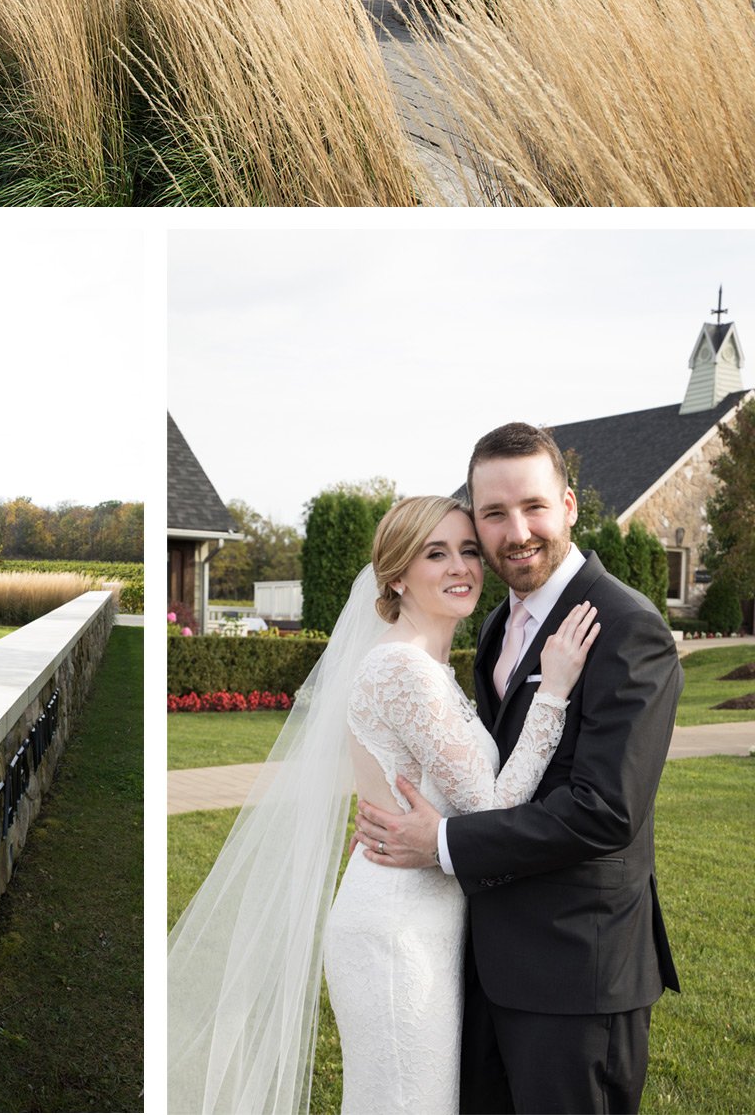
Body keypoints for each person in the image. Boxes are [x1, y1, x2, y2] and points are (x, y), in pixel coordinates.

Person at [167, 493, 599, 1115]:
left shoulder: (423, 665)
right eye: (437, 553)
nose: (462, 568)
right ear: (397, 574)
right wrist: (554, 691)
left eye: (469, 551)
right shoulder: (404, 670)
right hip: (397, 930)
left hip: (418, 915)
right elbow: (494, 806)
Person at [355, 423, 683, 1115]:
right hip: (480, 962)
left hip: (576, 975)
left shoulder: (627, 627)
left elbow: (605, 809)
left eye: (533, 506)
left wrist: (441, 843)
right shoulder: (498, 625)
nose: (517, 531)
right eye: (494, 515)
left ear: (567, 505)